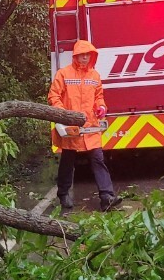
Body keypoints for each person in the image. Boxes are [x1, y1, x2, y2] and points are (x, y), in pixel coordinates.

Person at [48, 39, 116, 210]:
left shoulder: (95, 76)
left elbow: (99, 96)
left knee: (98, 159)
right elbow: (53, 96)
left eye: (88, 55)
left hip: (90, 127)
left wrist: (101, 107)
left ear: (92, 56)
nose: (85, 58)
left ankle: (107, 196)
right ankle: (63, 194)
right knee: (68, 160)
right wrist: (64, 114)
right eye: (82, 55)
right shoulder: (64, 74)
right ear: (76, 56)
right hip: (71, 127)